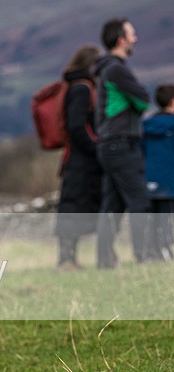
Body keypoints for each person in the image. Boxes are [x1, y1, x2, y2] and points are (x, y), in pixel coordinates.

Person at [93, 18, 151, 268]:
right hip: (121, 143)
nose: (135, 38)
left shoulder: (107, 69)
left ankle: (104, 260)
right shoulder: (117, 69)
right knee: (139, 200)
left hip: (109, 145)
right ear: (121, 40)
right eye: (132, 34)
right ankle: (144, 255)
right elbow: (143, 100)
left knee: (113, 204)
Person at [54, 45, 103, 270]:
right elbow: (77, 125)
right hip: (81, 161)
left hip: (78, 159)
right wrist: (95, 148)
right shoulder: (82, 89)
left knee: (74, 208)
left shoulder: (75, 86)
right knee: (74, 209)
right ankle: (67, 259)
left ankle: (69, 258)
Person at [143, 83, 174, 261]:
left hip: (148, 180)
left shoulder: (145, 125)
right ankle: (164, 251)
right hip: (170, 182)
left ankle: (152, 252)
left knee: (152, 220)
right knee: (167, 219)